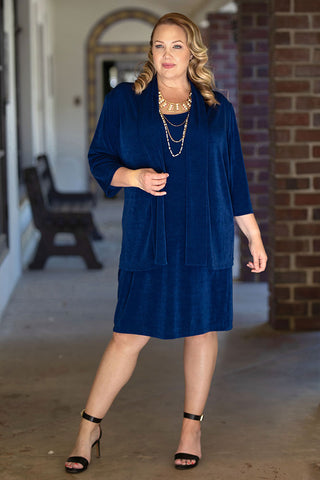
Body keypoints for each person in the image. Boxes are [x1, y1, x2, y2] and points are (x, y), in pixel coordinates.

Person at [65, 12, 267, 473]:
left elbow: (234, 180)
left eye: (177, 46)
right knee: (127, 335)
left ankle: (191, 427)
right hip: (149, 233)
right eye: (159, 45)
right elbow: (99, 159)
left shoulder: (218, 108)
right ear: (150, 51)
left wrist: (253, 236)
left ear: (192, 51)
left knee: (201, 330)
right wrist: (133, 176)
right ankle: (87, 426)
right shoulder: (125, 101)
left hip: (207, 232)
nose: (167, 55)